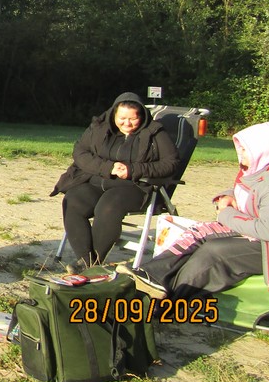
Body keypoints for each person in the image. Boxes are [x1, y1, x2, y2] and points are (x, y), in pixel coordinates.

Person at [119, 120, 269, 299]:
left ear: (265, 150)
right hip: (254, 232)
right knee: (198, 232)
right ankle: (152, 275)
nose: (240, 153)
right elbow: (252, 192)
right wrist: (227, 196)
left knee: (213, 252)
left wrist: (226, 214)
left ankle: (169, 299)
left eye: (245, 150)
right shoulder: (259, 170)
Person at [50, 92, 179, 271]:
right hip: (98, 180)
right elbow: (80, 152)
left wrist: (132, 170)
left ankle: (92, 264)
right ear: (113, 114)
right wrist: (107, 167)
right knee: (73, 200)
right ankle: (86, 261)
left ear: (142, 116)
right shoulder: (99, 127)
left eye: (133, 119)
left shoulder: (155, 132)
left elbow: (171, 163)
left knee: (109, 205)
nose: (127, 123)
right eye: (122, 118)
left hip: (134, 186)